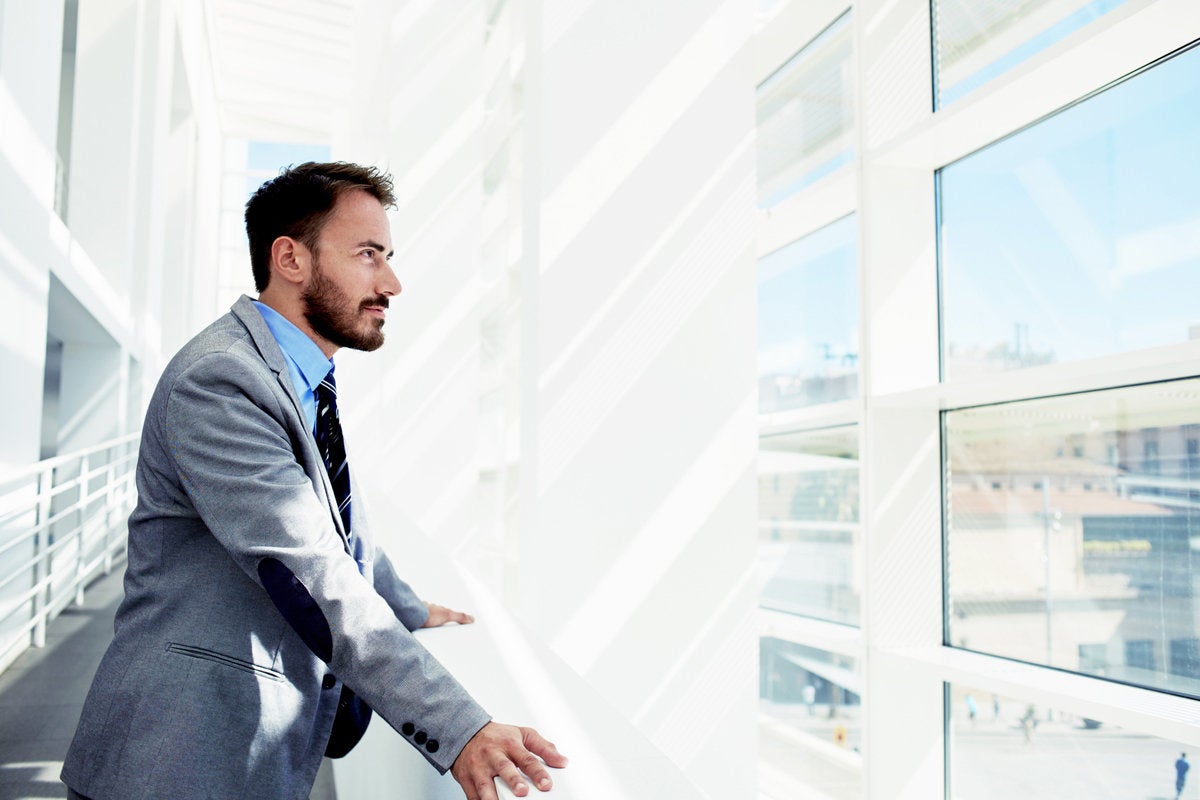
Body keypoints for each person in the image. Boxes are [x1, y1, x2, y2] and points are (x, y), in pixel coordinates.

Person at [61, 162, 566, 800]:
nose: (393, 282)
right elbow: (307, 569)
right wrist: (461, 729)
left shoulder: (299, 378)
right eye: (368, 255)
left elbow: (338, 521)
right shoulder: (220, 380)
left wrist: (408, 605)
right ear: (291, 259)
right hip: (177, 757)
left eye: (389, 256)